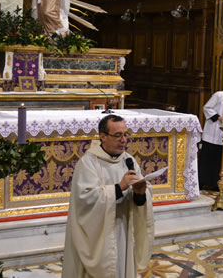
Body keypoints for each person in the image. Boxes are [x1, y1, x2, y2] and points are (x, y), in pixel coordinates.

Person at [62, 114, 154, 278]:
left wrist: (140, 194)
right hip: (98, 236)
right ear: (103, 137)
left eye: (126, 134)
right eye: (118, 135)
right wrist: (119, 188)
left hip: (124, 231)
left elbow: (139, 200)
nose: (124, 140)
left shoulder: (128, 160)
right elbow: (86, 200)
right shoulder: (89, 163)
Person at [198, 76, 223, 191]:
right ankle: (202, 181)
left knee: (218, 159)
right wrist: (218, 117)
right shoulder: (219, 95)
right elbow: (207, 107)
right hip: (212, 131)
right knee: (207, 158)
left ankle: (215, 183)